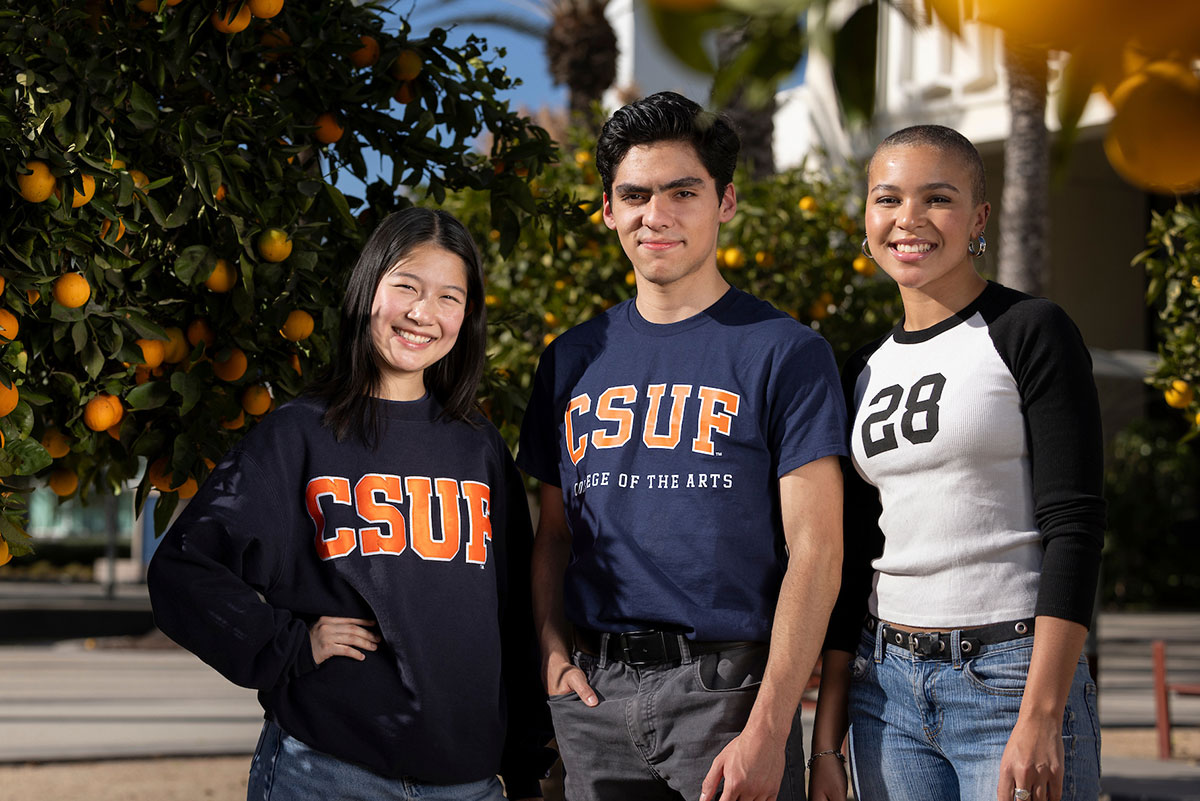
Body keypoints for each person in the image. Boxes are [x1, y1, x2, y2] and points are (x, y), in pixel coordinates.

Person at [148, 208, 549, 801]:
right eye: (407, 287)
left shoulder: (478, 445)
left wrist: (524, 761)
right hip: (331, 773)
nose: (423, 313)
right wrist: (285, 645)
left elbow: (511, 613)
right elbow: (183, 570)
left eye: (449, 297)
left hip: (467, 781)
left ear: (468, 315)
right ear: (369, 290)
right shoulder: (298, 435)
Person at [517, 91, 847, 801]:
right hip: (594, 697)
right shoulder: (570, 358)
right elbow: (552, 534)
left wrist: (768, 726)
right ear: (608, 208)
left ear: (725, 202)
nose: (654, 215)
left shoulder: (786, 353)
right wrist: (550, 651)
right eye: (634, 194)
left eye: (681, 191)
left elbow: (817, 550)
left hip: (727, 701)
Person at [808, 125, 1104, 801]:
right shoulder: (861, 367)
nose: (908, 219)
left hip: (1008, 680)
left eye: (936, 198)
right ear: (867, 217)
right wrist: (827, 740)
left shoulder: (1031, 330)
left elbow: (1076, 527)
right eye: (888, 199)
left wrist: (1041, 714)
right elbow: (855, 562)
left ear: (977, 218)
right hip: (885, 691)